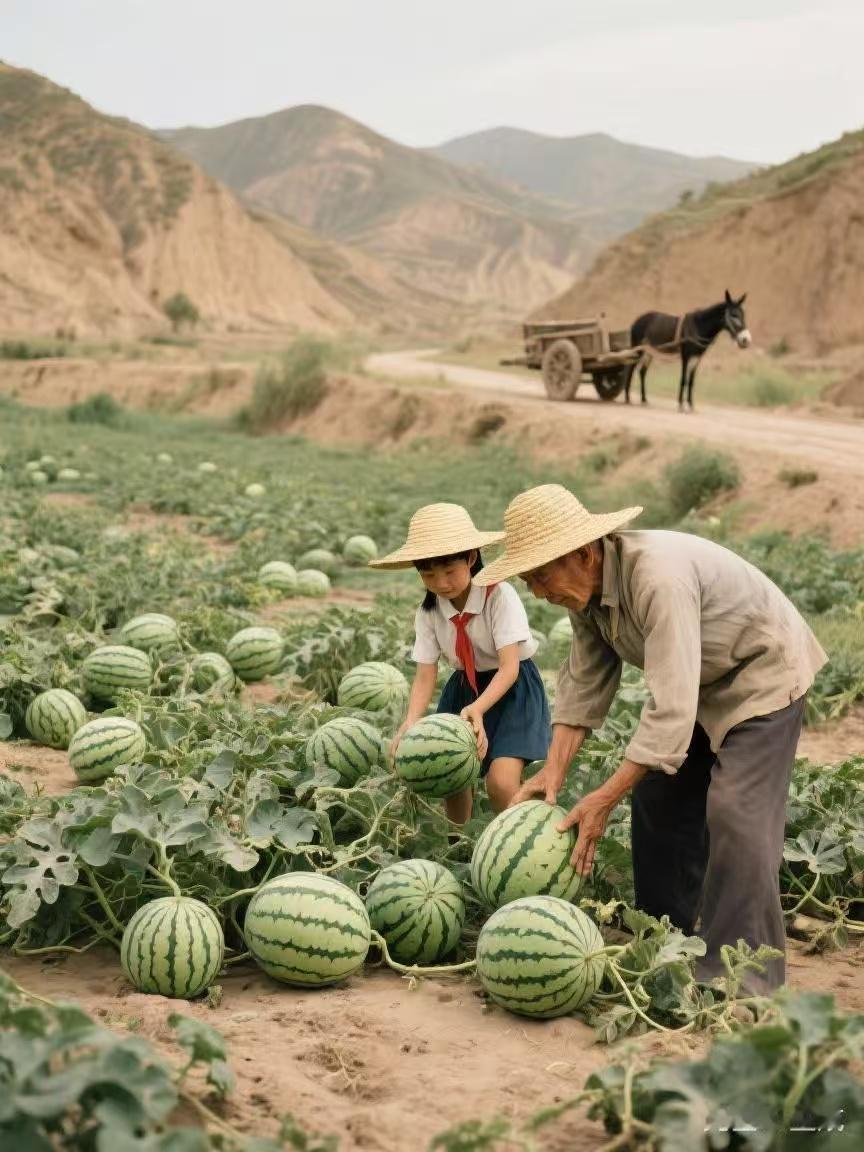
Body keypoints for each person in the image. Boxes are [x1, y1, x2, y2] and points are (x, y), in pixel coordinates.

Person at [474, 483, 827, 991]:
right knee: (659, 796)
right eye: (528, 579)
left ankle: (742, 974)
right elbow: (586, 681)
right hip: (704, 678)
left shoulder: (657, 579)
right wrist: (552, 772)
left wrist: (603, 797)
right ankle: (665, 936)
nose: (537, 591)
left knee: (737, 810)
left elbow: (672, 709)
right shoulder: (587, 594)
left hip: (763, 674)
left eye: (540, 575)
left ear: (582, 552)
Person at [369, 502, 551, 824]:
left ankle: (512, 839)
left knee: (501, 782)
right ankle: (458, 844)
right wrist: (411, 721)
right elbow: (426, 674)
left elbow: (510, 667)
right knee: (450, 774)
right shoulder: (428, 612)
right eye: (428, 574)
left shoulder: (500, 596)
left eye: (450, 571)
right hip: (464, 688)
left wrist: (479, 709)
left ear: (471, 558)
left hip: (513, 688)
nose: (441, 583)